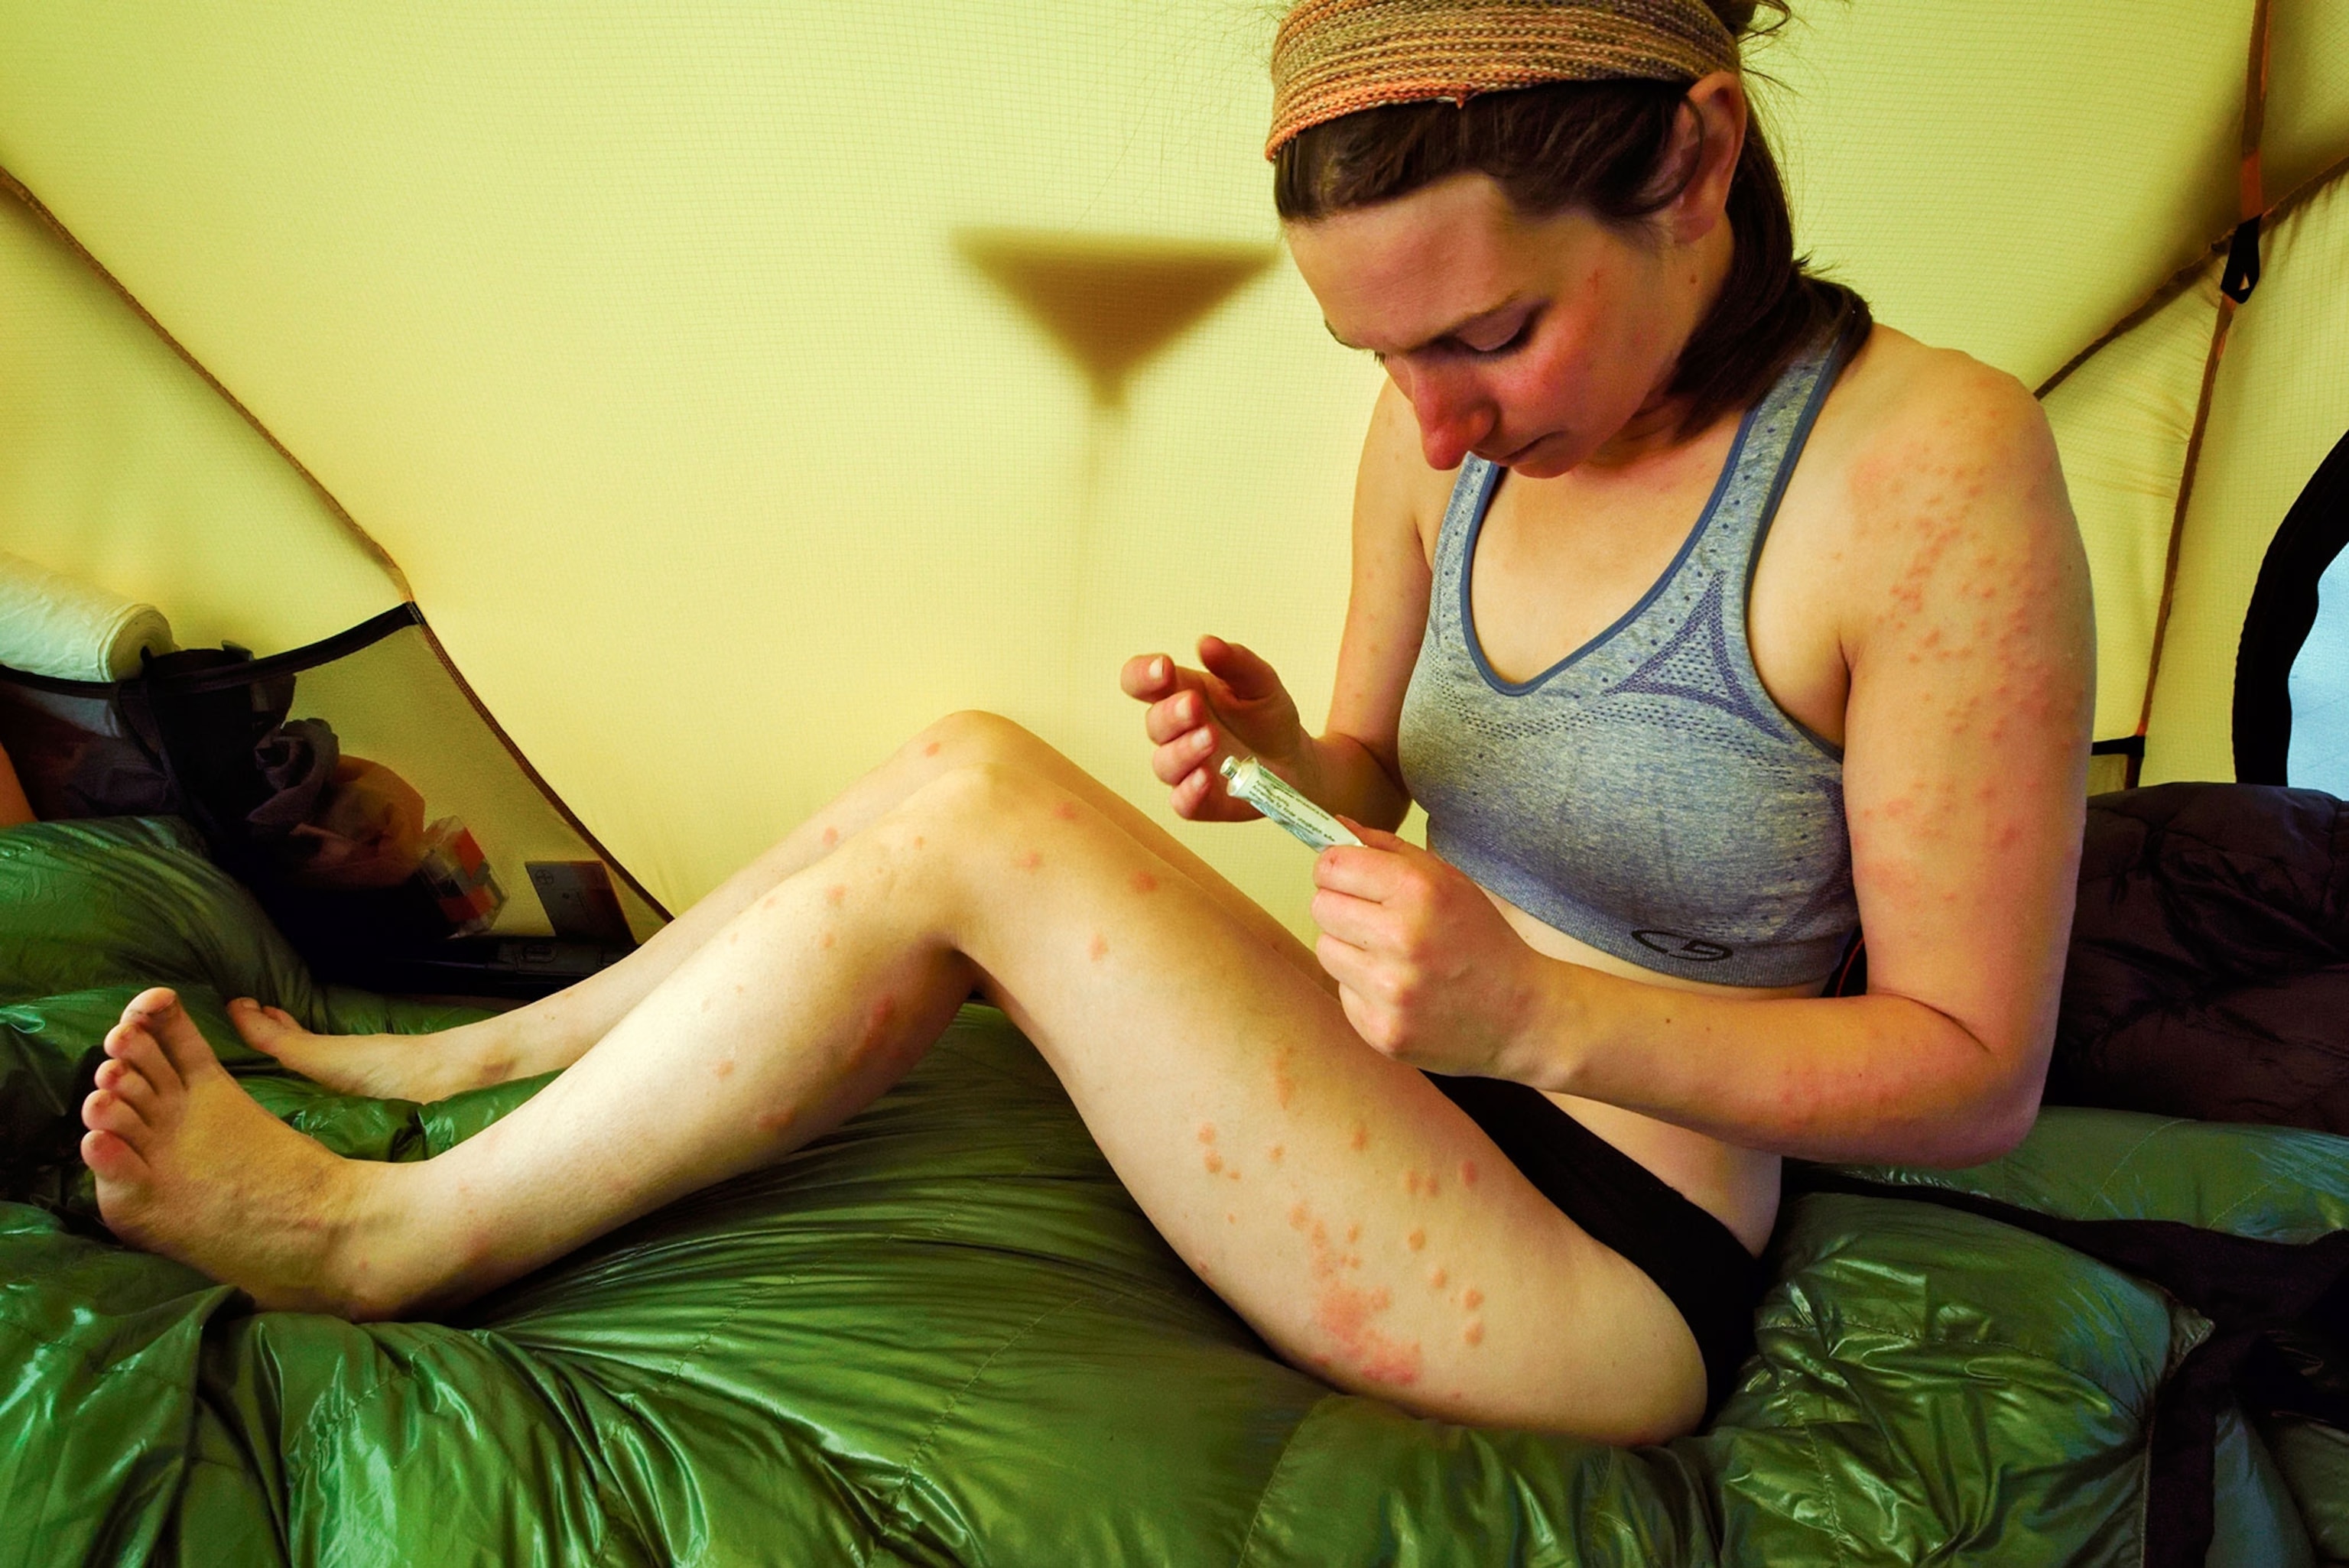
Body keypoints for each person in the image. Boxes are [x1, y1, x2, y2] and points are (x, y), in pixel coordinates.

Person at [76, 0, 2091, 1444]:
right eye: (1380, 352)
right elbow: (1389, 781)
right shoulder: (1435, 436)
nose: (1441, 422)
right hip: (1407, 1073)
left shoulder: (1926, 470)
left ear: (1701, 158)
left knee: (977, 828)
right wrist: (1291, 766)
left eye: (1488, 334)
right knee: (968, 758)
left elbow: (1973, 1068)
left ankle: (389, 1237)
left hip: (1613, 1239)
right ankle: (493, 1051)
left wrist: (1544, 1018)